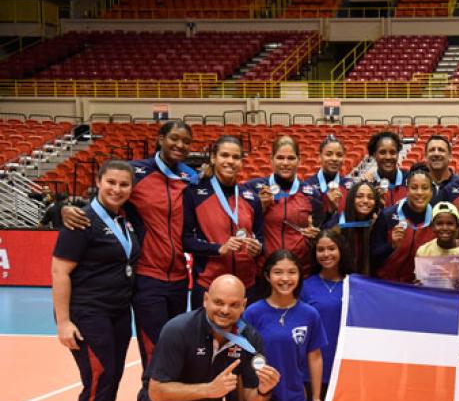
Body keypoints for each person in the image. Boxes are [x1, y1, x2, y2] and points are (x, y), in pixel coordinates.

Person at [62, 120, 197, 376]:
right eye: (174, 138)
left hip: (180, 279)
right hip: (148, 278)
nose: (180, 145)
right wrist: (64, 209)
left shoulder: (189, 177)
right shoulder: (137, 173)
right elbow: (106, 199)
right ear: (160, 139)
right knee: (154, 352)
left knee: (177, 349)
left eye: (186, 142)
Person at [52, 160, 140, 401]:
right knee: (99, 379)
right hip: (88, 313)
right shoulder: (81, 220)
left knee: (112, 378)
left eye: (124, 184)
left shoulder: (125, 219)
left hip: (118, 313)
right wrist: (64, 321)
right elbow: (59, 272)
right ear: (99, 182)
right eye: (111, 182)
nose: (117, 189)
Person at [137, 275, 280, 401]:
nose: (225, 310)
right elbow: (156, 392)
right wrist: (209, 389)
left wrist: (264, 389)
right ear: (206, 299)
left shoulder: (250, 339)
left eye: (234, 304)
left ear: (243, 305)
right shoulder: (178, 330)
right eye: (219, 302)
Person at [243, 250, 328, 401]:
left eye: (292, 272)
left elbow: (315, 357)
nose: (285, 278)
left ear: (299, 276)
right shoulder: (253, 313)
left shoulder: (310, 314)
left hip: (294, 397)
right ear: (267, 276)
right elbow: (241, 358)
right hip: (261, 396)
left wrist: (316, 398)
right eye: (278, 272)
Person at [183, 136, 265, 307]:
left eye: (236, 157)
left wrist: (258, 248)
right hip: (209, 284)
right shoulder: (194, 194)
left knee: (245, 334)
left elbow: (261, 237)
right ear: (213, 158)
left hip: (246, 285)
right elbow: (186, 240)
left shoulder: (251, 198)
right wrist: (218, 248)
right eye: (225, 155)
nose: (230, 161)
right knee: (209, 334)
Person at [246, 136, 324, 275]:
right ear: (271, 160)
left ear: (299, 160)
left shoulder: (312, 193)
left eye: (291, 158)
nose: (285, 163)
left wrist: (315, 237)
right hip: (265, 271)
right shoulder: (252, 189)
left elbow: (320, 231)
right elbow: (242, 227)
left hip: (300, 272)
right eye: (280, 158)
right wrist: (260, 208)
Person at [301, 228, 351, 401]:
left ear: (341, 250)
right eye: (321, 250)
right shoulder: (305, 286)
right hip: (314, 368)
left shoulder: (354, 284)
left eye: (331, 248)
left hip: (345, 368)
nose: (326, 254)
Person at [370, 164, 436, 283]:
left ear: (431, 192)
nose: (419, 192)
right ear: (407, 190)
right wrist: (392, 246)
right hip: (386, 285)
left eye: (425, 188)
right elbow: (372, 257)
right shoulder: (387, 216)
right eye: (414, 187)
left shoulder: (436, 220)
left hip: (417, 289)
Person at [324, 180, 382, 277]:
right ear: (351, 199)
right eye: (359, 196)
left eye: (371, 197)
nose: (365, 201)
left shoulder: (376, 223)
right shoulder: (336, 225)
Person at [414, 201, 459, 287]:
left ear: (457, 226)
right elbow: (419, 283)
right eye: (439, 223)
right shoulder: (423, 251)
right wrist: (418, 284)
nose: (445, 228)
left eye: (450, 224)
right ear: (432, 226)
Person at [307, 135, 353, 218]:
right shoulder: (308, 186)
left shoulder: (351, 186)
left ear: (344, 158)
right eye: (328, 154)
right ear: (319, 157)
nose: (334, 158)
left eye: (339, 155)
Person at [365, 131, 407, 207]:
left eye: (393, 152)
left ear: (398, 154)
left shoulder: (410, 180)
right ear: (374, 155)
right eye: (382, 152)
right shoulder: (367, 185)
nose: (388, 157)